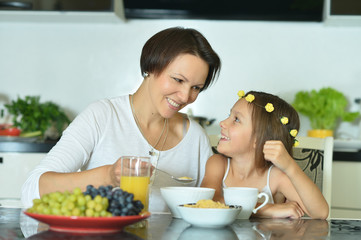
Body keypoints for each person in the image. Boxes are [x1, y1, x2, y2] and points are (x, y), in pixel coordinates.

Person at [21, 27, 221, 213]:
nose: (186, 96)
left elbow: (208, 208)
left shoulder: (195, 137)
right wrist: (108, 176)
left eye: (196, 87)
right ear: (151, 66)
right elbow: (31, 191)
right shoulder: (102, 116)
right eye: (178, 79)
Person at [201, 90, 329, 219]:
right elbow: (208, 201)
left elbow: (320, 213)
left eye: (236, 119)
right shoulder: (217, 164)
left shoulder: (276, 177)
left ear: (259, 139)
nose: (222, 123)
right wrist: (267, 209)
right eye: (229, 115)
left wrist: (290, 166)